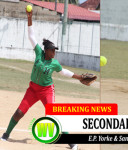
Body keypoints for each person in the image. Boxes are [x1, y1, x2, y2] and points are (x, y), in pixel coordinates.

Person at [0, 8, 82, 150]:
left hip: (46, 91)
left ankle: (71, 143)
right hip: (32, 89)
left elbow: (63, 72)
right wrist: (29, 18)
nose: (54, 52)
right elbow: (32, 37)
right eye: (52, 50)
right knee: (19, 113)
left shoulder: (54, 63)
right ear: (46, 51)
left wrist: (79, 77)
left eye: (55, 50)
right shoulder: (39, 53)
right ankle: (6, 135)